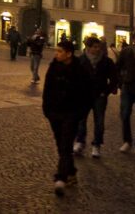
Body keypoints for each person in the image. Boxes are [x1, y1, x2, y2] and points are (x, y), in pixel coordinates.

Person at [43, 38, 93, 196]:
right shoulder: (53, 67)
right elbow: (47, 89)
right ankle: (71, 172)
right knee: (61, 145)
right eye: (56, 51)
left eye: (59, 51)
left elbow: (87, 94)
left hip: (71, 113)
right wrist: (47, 110)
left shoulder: (80, 70)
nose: (56, 54)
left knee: (65, 145)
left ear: (69, 54)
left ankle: (61, 178)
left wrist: (80, 114)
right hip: (55, 113)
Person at [74, 36, 118, 158]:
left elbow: (114, 78)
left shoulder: (106, 61)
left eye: (98, 47)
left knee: (99, 121)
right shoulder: (81, 60)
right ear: (88, 47)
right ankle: (80, 142)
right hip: (84, 95)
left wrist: (106, 91)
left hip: (100, 95)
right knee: (81, 120)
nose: (97, 49)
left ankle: (96, 144)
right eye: (95, 47)